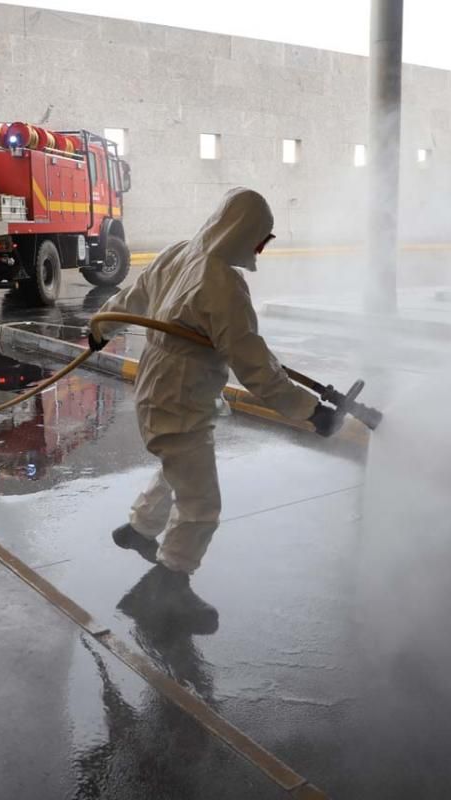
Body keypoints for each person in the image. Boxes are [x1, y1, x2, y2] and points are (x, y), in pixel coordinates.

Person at [90, 187, 338, 624]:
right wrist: (311, 412)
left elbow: (131, 302)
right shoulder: (222, 283)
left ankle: (139, 528)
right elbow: (256, 368)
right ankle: (169, 587)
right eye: (261, 237)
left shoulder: (178, 254)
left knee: (180, 466)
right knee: (201, 502)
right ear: (244, 233)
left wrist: (100, 326)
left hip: (159, 391)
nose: (261, 247)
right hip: (180, 398)